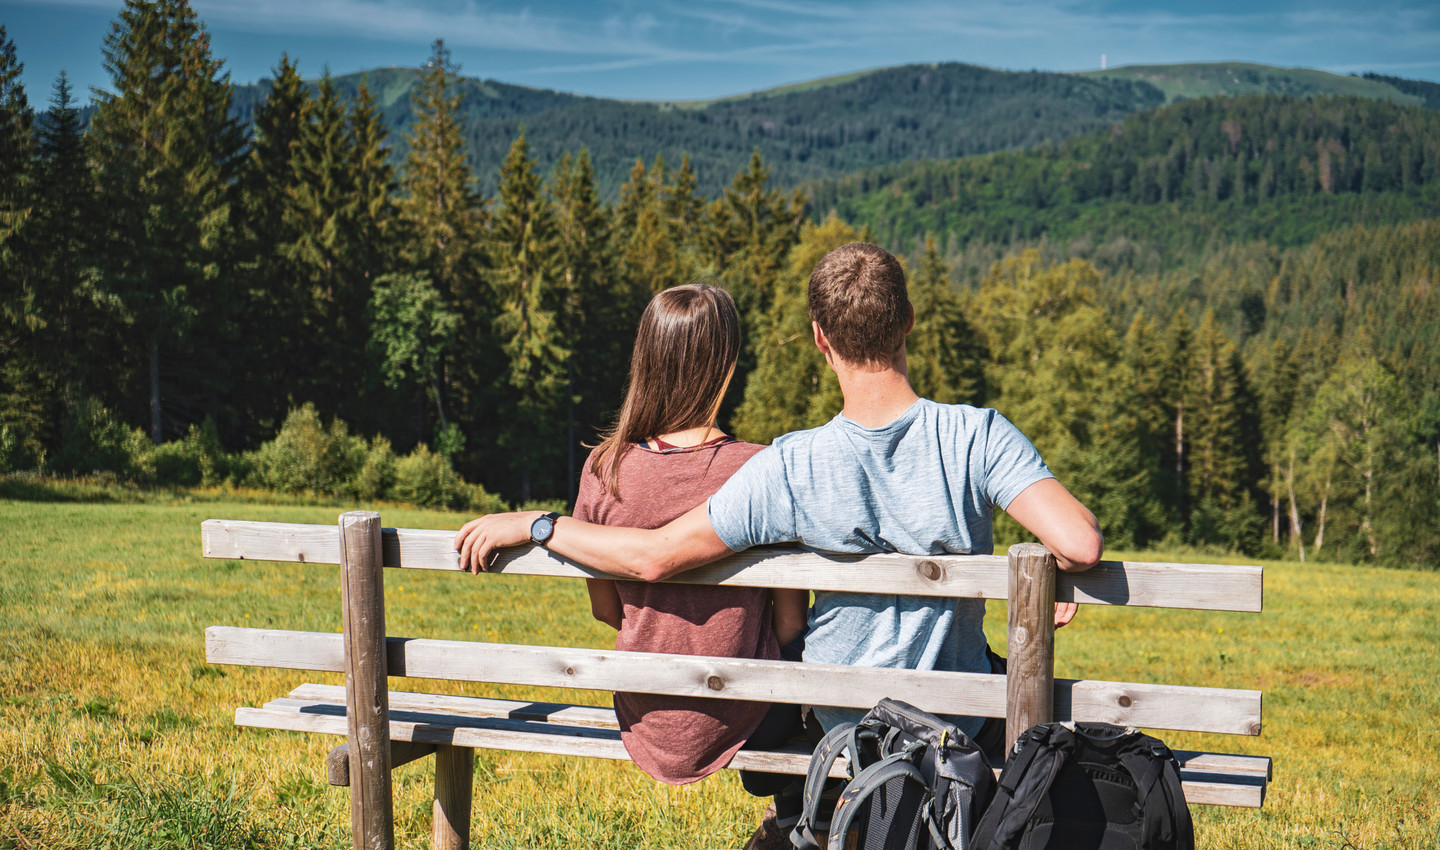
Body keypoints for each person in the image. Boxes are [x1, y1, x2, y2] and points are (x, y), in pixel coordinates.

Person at [454, 242, 1102, 815]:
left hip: (840, 717)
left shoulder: (789, 465)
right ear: (909, 319)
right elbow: (1079, 542)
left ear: (820, 339)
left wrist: (539, 525)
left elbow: (654, 557)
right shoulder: (977, 435)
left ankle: (804, 821)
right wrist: (1048, 569)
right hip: (953, 714)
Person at [565, 283, 810, 834]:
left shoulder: (604, 468)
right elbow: (791, 623)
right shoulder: (762, 469)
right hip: (752, 713)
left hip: (644, 711)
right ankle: (794, 820)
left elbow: (605, 609)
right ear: (727, 365)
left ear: (645, 360)